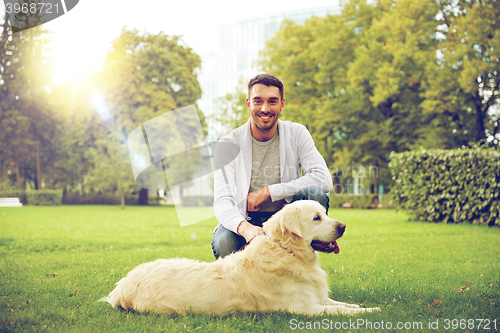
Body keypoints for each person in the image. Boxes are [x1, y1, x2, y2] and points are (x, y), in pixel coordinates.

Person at [211, 73, 333, 259]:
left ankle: (299, 261)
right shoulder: (228, 145)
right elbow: (222, 202)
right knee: (224, 243)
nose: (265, 108)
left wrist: (269, 191)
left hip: (286, 218)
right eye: (258, 101)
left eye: (272, 101)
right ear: (248, 104)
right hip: (247, 219)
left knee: (315, 194)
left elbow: (323, 179)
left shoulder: (297, 133)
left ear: (282, 104)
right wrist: (247, 229)